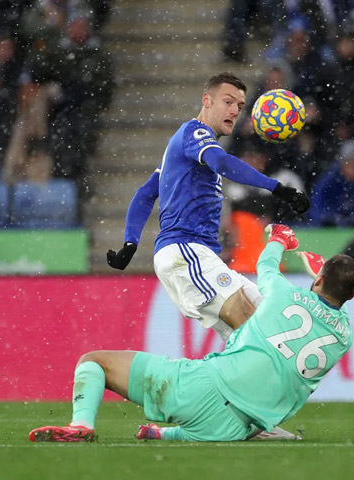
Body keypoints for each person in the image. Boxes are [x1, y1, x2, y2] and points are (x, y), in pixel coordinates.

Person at [29, 224, 354, 442]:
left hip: (204, 389)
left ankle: (81, 426)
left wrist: (278, 238)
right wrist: (331, 283)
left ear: (317, 280)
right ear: (351, 296)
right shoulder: (344, 337)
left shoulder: (285, 295)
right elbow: (334, 306)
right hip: (240, 427)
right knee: (227, 419)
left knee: (94, 362)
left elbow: (266, 266)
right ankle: (166, 435)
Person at [107, 72, 310, 341]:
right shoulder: (194, 132)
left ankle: (233, 382)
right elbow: (224, 164)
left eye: (239, 106)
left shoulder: (181, 149)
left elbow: (146, 194)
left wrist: (130, 244)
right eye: (227, 102)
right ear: (206, 100)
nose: (234, 111)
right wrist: (277, 188)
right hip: (185, 251)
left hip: (200, 256)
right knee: (256, 332)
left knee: (267, 324)